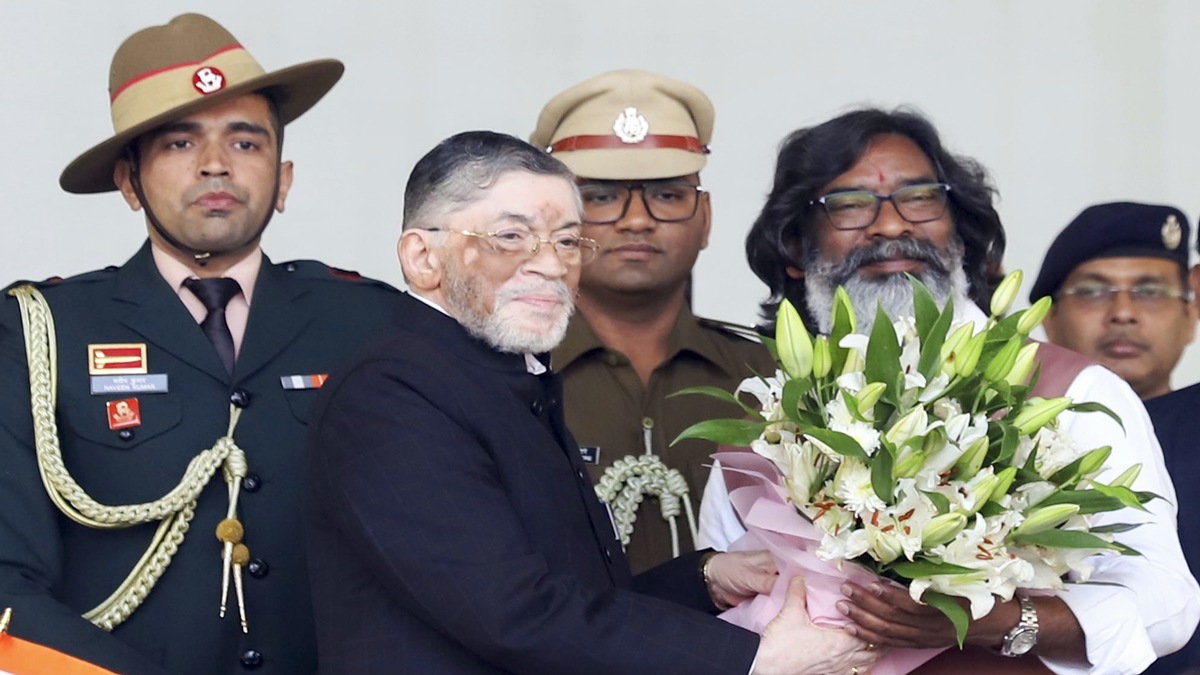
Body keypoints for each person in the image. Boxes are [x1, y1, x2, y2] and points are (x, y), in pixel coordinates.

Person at [304, 130, 878, 675]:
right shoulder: (393, 392)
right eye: (511, 237)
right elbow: (513, 613)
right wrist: (749, 661)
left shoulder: (496, 374)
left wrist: (704, 578)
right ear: (423, 258)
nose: (552, 265)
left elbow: (577, 598)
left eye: (567, 240)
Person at [699, 107, 1200, 673]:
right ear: (795, 252)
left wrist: (1004, 624)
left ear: (961, 235)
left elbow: (1166, 603)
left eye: (920, 198)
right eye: (850, 204)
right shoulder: (767, 425)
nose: (891, 227)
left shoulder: (1069, 393)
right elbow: (730, 609)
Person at [0, 14, 403, 675]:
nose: (216, 164)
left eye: (246, 143)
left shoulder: (369, 323)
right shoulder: (38, 333)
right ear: (129, 181)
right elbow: (8, 585)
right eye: (181, 143)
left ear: (285, 179)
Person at [529, 69, 776, 573]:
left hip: (746, 650)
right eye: (600, 196)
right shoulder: (510, 373)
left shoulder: (771, 373)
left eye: (667, 195)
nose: (636, 219)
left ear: (704, 218)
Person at [1031, 202, 1196, 400]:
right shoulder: (998, 428)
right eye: (1092, 292)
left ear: (1191, 316)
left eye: (1150, 292)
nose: (1123, 313)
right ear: (1049, 319)